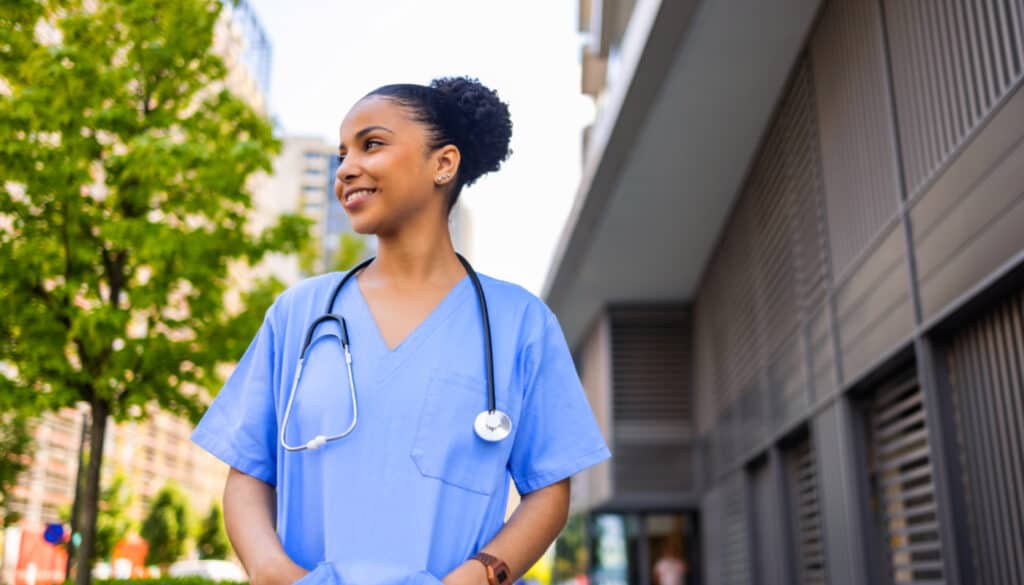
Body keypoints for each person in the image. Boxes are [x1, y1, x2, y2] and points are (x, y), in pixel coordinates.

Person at [190, 76, 611, 585]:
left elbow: (548, 490)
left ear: (443, 163)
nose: (346, 168)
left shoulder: (520, 323)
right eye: (343, 153)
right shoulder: (298, 314)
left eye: (372, 144)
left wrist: (479, 577)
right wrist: (273, 572)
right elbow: (249, 472)